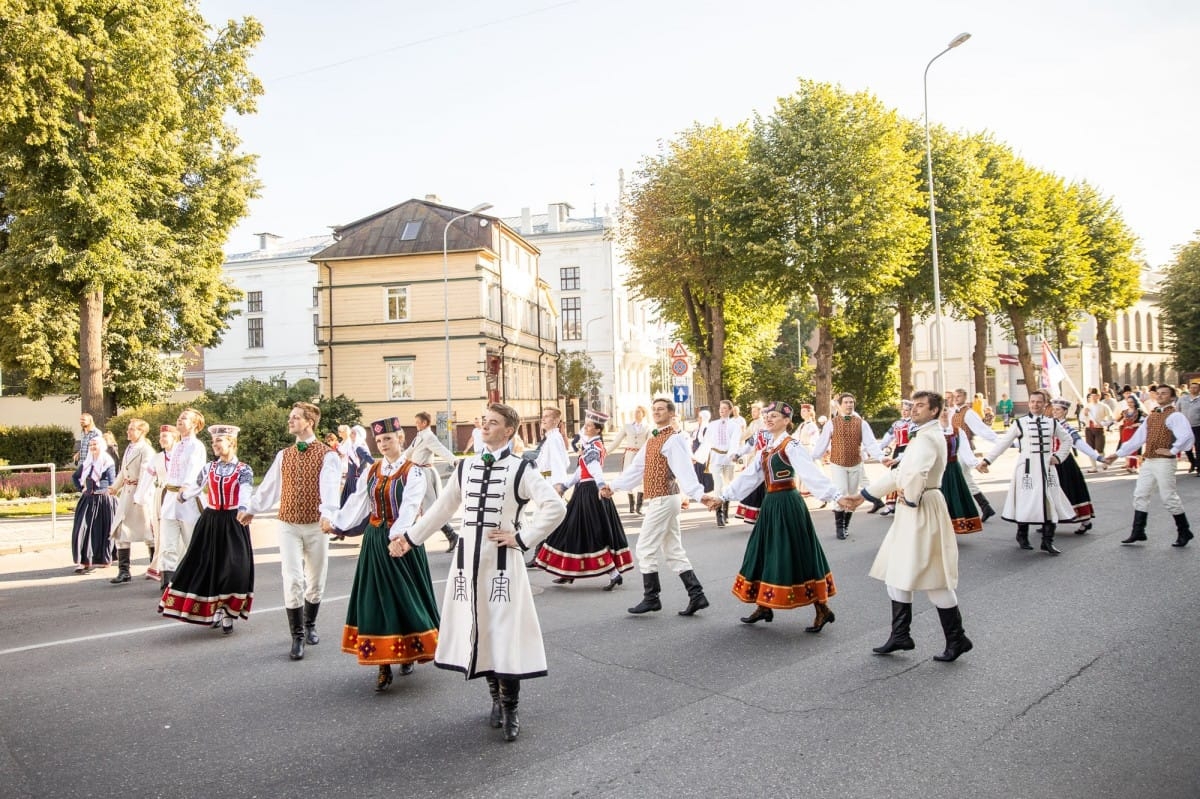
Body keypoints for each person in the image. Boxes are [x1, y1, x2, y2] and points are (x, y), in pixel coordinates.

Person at [392, 403, 567, 742]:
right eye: (483, 421)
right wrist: (410, 539)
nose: (485, 426)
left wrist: (522, 537)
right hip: (468, 563)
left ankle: (511, 706)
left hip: (502, 566)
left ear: (509, 431)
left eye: (493, 422)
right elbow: (442, 510)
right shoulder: (466, 467)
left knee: (503, 633)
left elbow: (556, 507)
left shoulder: (520, 469)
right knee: (480, 629)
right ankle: (495, 701)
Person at [846, 390, 972, 662]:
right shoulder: (922, 434)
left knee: (932, 576)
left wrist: (911, 498)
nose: (914, 409)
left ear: (935, 411)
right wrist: (864, 496)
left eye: (921, 406)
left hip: (922, 507)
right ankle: (901, 635)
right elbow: (900, 473)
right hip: (915, 507)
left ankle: (957, 638)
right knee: (897, 569)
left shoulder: (927, 436)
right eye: (913, 405)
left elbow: (916, 474)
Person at [705, 401, 841, 629]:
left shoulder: (792, 445)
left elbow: (811, 474)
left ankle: (822, 608)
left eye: (775, 416)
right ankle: (763, 606)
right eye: (767, 416)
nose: (768, 419)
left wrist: (836, 495)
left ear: (787, 421)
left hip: (788, 504)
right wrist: (723, 497)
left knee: (798, 554)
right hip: (771, 504)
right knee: (761, 552)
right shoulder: (767, 448)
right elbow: (749, 477)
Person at [327, 416, 440, 691]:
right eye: (379, 440)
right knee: (377, 598)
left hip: (403, 540)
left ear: (400, 439)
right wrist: (337, 522)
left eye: (388, 439)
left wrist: (398, 537)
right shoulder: (372, 469)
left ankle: (409, 650)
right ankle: (383, 664)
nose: (383, 444)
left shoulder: (413, 472)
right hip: (375, 540)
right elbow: (358, 502)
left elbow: (411, 507)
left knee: (404, 596)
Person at [242, 402, 342, 660]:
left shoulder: (327, 455)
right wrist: (252, 507)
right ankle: (297, 635)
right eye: (290, 417)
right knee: (293, 577)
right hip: (288, 524)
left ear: (309, 422)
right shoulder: (283, 455)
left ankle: (310, 624)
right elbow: (269, 486)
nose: (290, 421)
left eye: (295, 417)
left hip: (315, 526)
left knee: (316, 580)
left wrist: (328, 515)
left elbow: (330, 488)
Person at [606, 397, 713, 618]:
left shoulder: (673, 439)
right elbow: (637, 469)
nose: (656, 412)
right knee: (673, 550)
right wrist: (613, 486)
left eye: (661, 409)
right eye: (654, 409)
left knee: (644, 548)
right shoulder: (654, 438)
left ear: (672, 414)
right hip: (661, 499)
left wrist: (699, 494)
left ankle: (651, 598)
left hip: (665, 498)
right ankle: (696, 594)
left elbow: (684, 470)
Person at [158, 426, 254, 635]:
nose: (215, 445)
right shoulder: (209, 468)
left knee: (235, 568)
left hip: (233, 521)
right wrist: (183, 496)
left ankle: (229, 611)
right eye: (213, 442)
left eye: (220, 441)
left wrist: (244, 509)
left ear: (232, 443)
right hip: (210, 522)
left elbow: (246, 491)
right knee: (210, 566)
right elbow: (197, 486)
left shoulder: (243, 470)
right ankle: (217, 611)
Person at [535, 411, 633, 590]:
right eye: (586, 424)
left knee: (588, 532)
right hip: (585, 490)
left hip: (589, 493)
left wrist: (602, 485)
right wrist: (565, 486)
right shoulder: (591, 445)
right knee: (569, 529)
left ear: (597, 429)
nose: (585, 428)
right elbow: (582, 471)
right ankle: (566, 572)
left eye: (589, 426)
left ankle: (613, 572)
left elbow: (594, 469)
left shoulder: (593, 447)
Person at [977, 390, 1076, 555]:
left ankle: (1047, 541)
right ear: (1029, 403)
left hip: (1047, 470)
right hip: (1027, 470)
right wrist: (987, 460)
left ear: (1045, 404)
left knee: (1050, 502)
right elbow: (1003, 443)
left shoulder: (1052, 423)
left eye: (1039, 402)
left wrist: (1058, 457)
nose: (1035, 404)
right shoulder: (1019, 423)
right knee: (1026, 502)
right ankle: (1022, 535)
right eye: (1032, 401)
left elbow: (1068, 440)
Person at [1104, 385, 1195, 547]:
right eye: (1158, 394)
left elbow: (1186, 435)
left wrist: (1172, 450)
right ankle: (1138, 531)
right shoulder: (1152, 415)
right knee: (1140, 494)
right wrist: (1118, 454)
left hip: (1165, 462)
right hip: (1149, 460)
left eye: (1164, 394)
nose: (1160, 396)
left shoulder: (1175, 416)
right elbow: (1138, 439)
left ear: (1172, 398)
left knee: (1168, 497)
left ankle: (1184, 531)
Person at [809, 392, 883, 540]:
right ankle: (839, 528)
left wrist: (881, 457)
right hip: (838, 463)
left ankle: (846, 525)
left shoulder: (861, 422)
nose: (849, 405)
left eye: (851, 402)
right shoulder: (832, 423)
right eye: (846, 402)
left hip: (855, 463)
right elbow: (822, 443)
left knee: (853, 495)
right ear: (840, 405)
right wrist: (811, 458)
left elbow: (870, 443)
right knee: (841, 492)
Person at [158, 408, 208, 590]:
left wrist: (186, 487)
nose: (179, 421)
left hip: (187, 499)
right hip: (171, 498)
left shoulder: (197, 446)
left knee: (191, 541)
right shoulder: (177, 445)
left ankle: (197, 578)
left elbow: (195, 469)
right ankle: (167, 582)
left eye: (184, 418)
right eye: (178, 418)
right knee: (168, 542)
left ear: (195, 424)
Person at [107, 418, 157, 584]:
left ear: (141, 431)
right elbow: (123, 471)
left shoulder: (146, 450)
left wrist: (140, 495)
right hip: (127, 493)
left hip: (140, 493)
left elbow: (146, 474)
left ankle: (154, 566)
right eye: (129, 429)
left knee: (148, 531)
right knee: (121, 530)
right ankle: (123, 571)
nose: (128, 432)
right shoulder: (129, 447)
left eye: (132, 429)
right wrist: (115, 487)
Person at [403, 412, 461, 551]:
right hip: (416, 474)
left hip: (425, 474)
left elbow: (441, 450)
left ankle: (451, 535)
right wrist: (395, 462)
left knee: (430, 509)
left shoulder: (428, 436)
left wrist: (454, 461)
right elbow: (409, 452)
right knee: (413, 505)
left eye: (418, 422)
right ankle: (409, 538)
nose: (416, 424)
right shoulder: (420, 436)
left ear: (424, 423)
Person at [1048, 398, 1106, 534]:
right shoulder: (1050, 424)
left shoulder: (1066, 427)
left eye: (1058, 410)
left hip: (1064, 463)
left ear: (1065, 412)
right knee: (1050, 493)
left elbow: (1079, 444)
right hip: (1050, 463)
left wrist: (1097, 457)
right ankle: (1048, 521)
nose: (1055, 412)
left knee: (1071, 491)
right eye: (1054, 409)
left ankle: (1085, 521)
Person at [948, 388, 999, 522]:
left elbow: (982, 430)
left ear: (965, 397)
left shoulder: (969, 413)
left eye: (959, 396)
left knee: (964, 478)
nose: (956, 398)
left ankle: (981, 507)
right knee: (961, 479)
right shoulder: (951, 412)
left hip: (964, 449)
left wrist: (1002, 442)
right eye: (955, 396)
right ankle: (984, 507)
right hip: (953, 449)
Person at [70, 436, 117, 574]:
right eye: (90, 445)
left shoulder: (107, 461)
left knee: (102, 531)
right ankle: (83, 561)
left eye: (95, 444)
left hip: (102, 500)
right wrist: (82, 489)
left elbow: (112, 481)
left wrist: (105, 492)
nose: (92, 447)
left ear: (101, 445)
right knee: (82, 530)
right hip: (88, 499)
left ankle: (104, 559)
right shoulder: (87, 462)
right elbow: (75, 476)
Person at [696, 399, 745, 527]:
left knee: (728, 485)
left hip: (728, 458)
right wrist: (698, 457)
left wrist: (733, 454)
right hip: (715, 457)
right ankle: (719, 514)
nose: (721, 410)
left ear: (730, 410)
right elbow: (706, 442)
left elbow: (735, 442)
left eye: (724, 408)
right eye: (720, 408)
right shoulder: (713, 424)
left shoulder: (734, 425)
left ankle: (726, 510)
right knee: (718, 485)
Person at [144, 425, 178, 582]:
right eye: (161, 437)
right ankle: (160, 569)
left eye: (165, 436)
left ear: (174, 437)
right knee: (160, 532)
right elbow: (147, 478)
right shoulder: (157, 458)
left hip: (178, 494)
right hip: (162, 494)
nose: (162, 439)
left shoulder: (180, 454)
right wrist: (140, 496)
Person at [609, 405, 650, 515]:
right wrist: (605, 452)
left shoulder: (648, 427)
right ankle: (631, 504)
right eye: (635, 412)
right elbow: (617, 441)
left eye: (639, 412)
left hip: (642, 455)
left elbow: (651, 442)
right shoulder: (627, 426)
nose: (636, 414)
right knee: (628, 476)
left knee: (642, 479)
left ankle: (639, 506)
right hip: (629, 455)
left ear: (643, 414)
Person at [876, 400, 914, 517]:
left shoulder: (913, 424)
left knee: (907, 476)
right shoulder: (896, 424)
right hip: (898, 450)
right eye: (903, 410)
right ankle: (890, 505)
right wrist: (878, 449)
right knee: (894, 476)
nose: (904, 412)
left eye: (907, 410)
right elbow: (888, 437)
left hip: (909, 449)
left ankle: (906, 501)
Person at [1079, 389, 1115, 471]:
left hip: (1099, 429)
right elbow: (1081, 418)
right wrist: (1085, 414)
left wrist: (1102, 424)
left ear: (1099, 396)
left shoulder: (1104, 406)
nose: (1094, 397)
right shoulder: (1087, 406)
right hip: (1089, 429)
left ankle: (1104, 462)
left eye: (1096, 395)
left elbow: (1111, 418)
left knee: (1100, 448)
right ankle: (1094, 467)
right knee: (1090, 449)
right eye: (1092, 396)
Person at [1118, 395, 1147, 472]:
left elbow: (1148, 419)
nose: (1130, 404)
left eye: (1131, 402)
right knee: (1127, 448)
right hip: (1126, 432)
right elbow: (1116, 420)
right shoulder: (1124, 412)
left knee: (1135, 449)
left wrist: (1136, 424)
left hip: (1135, 432)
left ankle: (1135, 466)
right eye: (1128, 402)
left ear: (1135, 402)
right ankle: (1129, 465)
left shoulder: (1139, 411)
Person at [1178, 380, 1200, 474]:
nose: (1193, 389)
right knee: (1187, 448)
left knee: (1198, 447)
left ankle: (1199, 468)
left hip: (1198, 427)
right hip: (1185, 427)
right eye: (1191, 387)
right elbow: (1177, 410)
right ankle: (1193, 462)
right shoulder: (1183, 398)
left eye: (1195, 388)